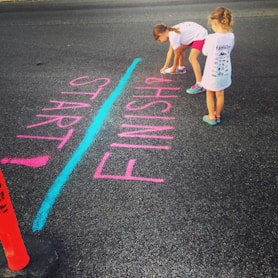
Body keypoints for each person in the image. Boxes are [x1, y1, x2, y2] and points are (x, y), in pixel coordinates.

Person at [153, 22, 208, 94]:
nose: (160, 41)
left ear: (160, 34)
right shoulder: (170, 31)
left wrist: (173, 68)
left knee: (192, 58)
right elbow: (170, 51)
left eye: (159, 40)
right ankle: (181, 69)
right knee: (180, 49)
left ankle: (200, 85)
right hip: (194, 34)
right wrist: (165, 66)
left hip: (200, 35)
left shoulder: (173, 35)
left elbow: (177, 54)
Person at [201, 7, 235, 125]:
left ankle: (211, 117)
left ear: (214, 22)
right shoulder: (231, 36)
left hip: (212, 72)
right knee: (220, 94)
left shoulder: (211, 38)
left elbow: (205, 52)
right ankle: (218, 115)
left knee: (210, 93)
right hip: (225, 71)